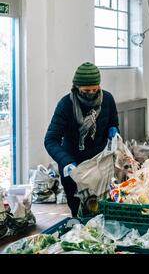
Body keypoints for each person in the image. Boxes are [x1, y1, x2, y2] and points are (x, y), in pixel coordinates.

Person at [44, 62, 119, 217]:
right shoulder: (66, 105)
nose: (91, 93)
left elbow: (113, 122)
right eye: (86, 90)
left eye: (94, 89)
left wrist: (114, 130)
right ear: (76, 87)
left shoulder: (108, 100)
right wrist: (66, 162)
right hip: (74, 166)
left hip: (99, 165)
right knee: (78, 211)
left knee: (100, 210)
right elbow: (51, 140)